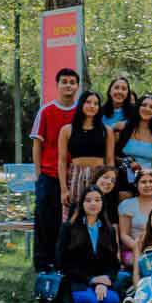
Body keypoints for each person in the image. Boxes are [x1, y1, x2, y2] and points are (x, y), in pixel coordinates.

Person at [31, 67, 82, 269]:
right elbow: (37, 144)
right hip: (49, 175)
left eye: (72, 82)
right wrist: (38, 175)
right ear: (57, 85)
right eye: (64, 81)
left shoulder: (81, 112)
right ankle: (43, 264)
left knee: (71, 222)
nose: (68, 85)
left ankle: (65, 263)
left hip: (74, 176)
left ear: (77, 86)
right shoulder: (46, 111)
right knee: (45, 220)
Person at [57, 187, 121, 303]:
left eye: (97, 200)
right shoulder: (68, 227)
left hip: (101, 280)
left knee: (112, 302)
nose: (93, 204)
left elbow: (113, 263)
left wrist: (104, 281)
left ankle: (96, 299)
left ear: (102, 203)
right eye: (88, 200)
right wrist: (91, 280)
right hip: (77, 280)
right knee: (88, 300)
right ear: (82, 204)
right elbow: (61, 262)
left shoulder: (109, 230)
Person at [57, 89, 112, 220]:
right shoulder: (67, 130)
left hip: (98, 176)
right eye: (88, 102)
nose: (92, 106)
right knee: (73, 216)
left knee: (98, 217)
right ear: (81, 104)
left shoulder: (106, 131)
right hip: (76, 176)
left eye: (96, 103)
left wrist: (109, 182)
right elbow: (62, 161)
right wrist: (64, 189)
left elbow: (110, 160)